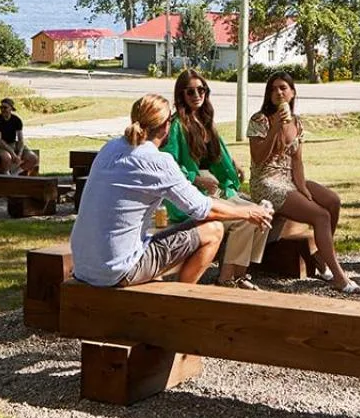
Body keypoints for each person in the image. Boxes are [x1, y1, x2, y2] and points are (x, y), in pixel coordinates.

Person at [70, 94, 272, 288]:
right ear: (166, 126)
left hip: (83, 267)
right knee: (213, 230)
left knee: (164, 244)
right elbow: (202, 209)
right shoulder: (157, 161)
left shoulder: (110, 147)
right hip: (118, 270)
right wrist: (249, 212)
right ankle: (178, 301)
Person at [247, 75, 360, 294]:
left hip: (289, 178)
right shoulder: (260, 119)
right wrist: (275, 129)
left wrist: (303, 188)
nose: (279, 93)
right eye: (273, 90)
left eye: (283, 88)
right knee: (321, 216)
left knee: (332, 201)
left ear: (292, 92)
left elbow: (297, 161)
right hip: (266, 182)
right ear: (269, 95)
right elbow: (258, 158)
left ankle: (319, 255)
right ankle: (338, 276)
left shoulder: (297, 122)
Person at [163, 68, 270, 288]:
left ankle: (241, 274)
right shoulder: (176, 125)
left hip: (216, 188)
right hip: (192, 194)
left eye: (201, 90)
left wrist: (233, 165)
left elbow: (217, 156)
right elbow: (169, 164)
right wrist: (195, 179)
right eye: (190, 92)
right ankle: (227, 278)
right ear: (181, 95)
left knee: (263, 213)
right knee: (245, 219)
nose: (196, 95)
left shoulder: (206, 120)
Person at [0, 96, 39, 176]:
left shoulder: (16, 120)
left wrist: (19, 154)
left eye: (5, 107)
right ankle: (6, 175)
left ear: (11, 108)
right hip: (1, 146)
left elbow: (20, 139)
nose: (2, 110)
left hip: (14, 144)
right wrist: (13, 153)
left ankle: (15, 174)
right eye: (1, 107)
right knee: (7, 158)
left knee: (33, 158)